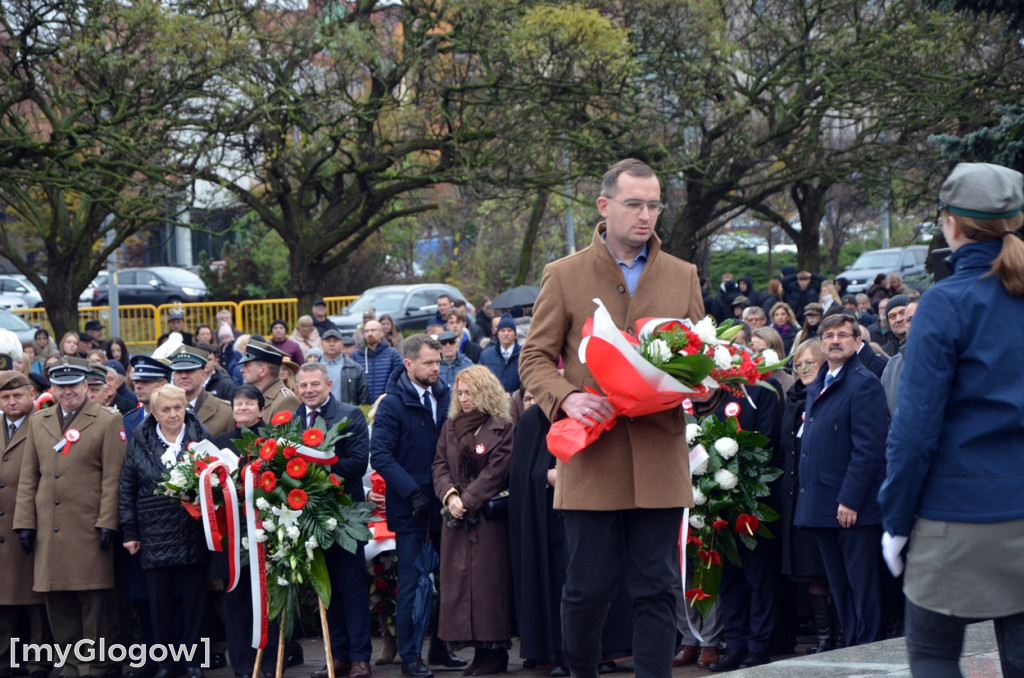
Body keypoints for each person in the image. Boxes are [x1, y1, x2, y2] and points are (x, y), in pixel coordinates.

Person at [519, 158, 706, 678]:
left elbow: (702, 355)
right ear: (604, 206)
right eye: (634, 205)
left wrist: (711, 383)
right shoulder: (564, 274)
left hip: (659, 453)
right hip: (592, 454)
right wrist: (566, 397)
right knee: (587, 588)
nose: (646, 216)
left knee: (657, 587)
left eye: (654, 206)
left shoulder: (683, 275)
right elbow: (533, 358)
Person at [879, 162, 1024, 677]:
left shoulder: (946, 302)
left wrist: (896, 520)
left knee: (934, 656)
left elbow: (914, 431)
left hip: (958, 516)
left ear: (951, 224)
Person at [13, 357, 127, 678]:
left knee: (92, 601)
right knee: (57, 599)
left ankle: (95, 666)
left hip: (88, 526)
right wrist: (24, 522)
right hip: (49, 528)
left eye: (73, 385)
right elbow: (29, 476)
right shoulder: (39, 421)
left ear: (84, 385)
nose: (68, 392)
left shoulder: (106, 420)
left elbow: (113, 478)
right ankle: (70, 665)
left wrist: (108, 522)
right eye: (61, 386)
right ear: (53, 388)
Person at [369, 335, 465, 678]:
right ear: (408, 364)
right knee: (411, 584)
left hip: (446, 501)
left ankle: (440, 648)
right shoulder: (392, 404)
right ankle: (410, 657)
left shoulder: (445, 396)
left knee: (449, 581)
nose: (436, 368)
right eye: (429, 363)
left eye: (438, 362)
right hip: (412, 508)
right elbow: (380, 455)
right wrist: (412, 492)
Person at [793, 312, 887, 647]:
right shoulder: (819, 383)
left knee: (862, 588)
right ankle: (851, 650)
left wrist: (849, 499)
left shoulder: (864, 383)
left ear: (857, 341)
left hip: (851, 508)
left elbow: (869, 450)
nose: (835, 340)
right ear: (820, 343)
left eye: (843, 335)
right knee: (840, 587)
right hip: (821, 504)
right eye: (829, 335)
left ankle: (870, 651)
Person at [119, 384, 210, 678]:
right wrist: (130, 531)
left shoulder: (201, 436)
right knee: (159, 604)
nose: (173, 414)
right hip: (154, 532)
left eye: (178, 408)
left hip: (193, 530)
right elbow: (127, 486)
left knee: (195, 602)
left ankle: (193, 662)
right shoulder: (140, 438)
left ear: (186, 408)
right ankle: (165, 663)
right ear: (154, 413)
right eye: (166, 409)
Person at [432, 367, 515, 675]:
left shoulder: (503, 426)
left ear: (485, 392)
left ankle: (493, 653)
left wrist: (467, 501)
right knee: (460, 587)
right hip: (456, 519)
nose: (464, 398)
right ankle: (478, 652)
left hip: (487, 521)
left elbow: (497, 471)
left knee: (488, 586)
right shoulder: (450, 426)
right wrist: (450, 496)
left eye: (470, 392)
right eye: (460, 392)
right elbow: (439, 465)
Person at [295, 363, 373, 678]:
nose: (309, 390)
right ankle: (338, 656)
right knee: (327, 591)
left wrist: (316, 473)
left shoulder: (349, 415)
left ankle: (360, 658)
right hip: (310, 519)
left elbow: (358, 463)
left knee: (351, 588)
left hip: (344, 515)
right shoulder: (293, 420)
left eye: (315, 384)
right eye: (303, 385)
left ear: (329, 384)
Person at [777, 340, 838, 655]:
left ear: (824, 364)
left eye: (810, 363)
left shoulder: (830, 395)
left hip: (824, 497)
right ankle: (824, 639)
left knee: (829, 571)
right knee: (811, 572)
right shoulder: (792, 400)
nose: (802, 369)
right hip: (796, 499)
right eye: (798, 364)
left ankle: (839, 636)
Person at [0, 372, 52, 678]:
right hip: (2, 527)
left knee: (36, 599)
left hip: (31, 523)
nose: (11, 402)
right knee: (4, 598)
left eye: (17, 395)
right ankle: (6, 660)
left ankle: (38, 662)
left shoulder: (43, 423)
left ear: (30, 394)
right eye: (5, 397)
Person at [169, 346, 234, 436]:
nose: (183, 376)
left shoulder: (226, 412)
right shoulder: (163, 412)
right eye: (178, 372)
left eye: (189, 371)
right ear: (173, 376)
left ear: (203, 375)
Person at [237, 341, 300, 423]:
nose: (241, 370)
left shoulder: (286, 400)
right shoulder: (257, 396)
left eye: (247, 365)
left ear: (263, 371)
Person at [352, 320, 404, 404]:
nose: (370, 333)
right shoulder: (355, 355)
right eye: (366, 331)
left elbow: (398, 381)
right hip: (363, 405)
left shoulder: (392, 354)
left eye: (373, 330)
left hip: (386, 404)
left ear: (382, 333)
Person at [320, 329, 370, 406]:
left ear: (342, 344)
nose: (331, 344)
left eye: (335, 341)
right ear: (322, 344)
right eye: (328, 341)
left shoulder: (355, 368)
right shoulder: (312, 368)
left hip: (346, 412)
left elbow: (364, 397)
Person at [478, 314, 520, 395]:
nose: (506, 333)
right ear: (498, 333)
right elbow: (480, 381)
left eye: (509, 330)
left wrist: (513, 395)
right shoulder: (486, 356)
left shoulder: (524, 355)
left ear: (515, 334)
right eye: (503, 330)